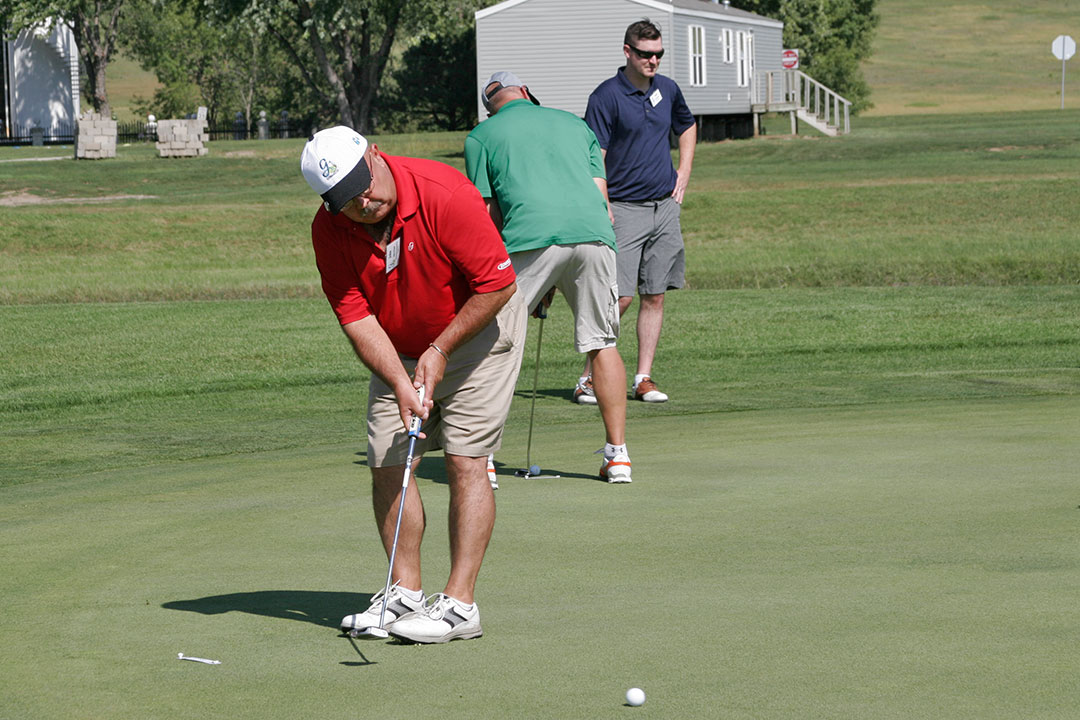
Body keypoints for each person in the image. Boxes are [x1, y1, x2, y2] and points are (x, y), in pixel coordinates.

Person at [301, 126, 526, 644]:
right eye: (346, 198)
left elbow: (498, 285)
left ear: (375, 155)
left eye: (365, 181)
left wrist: (440, 349)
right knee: (386, 458)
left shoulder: (444, 194)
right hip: (400, 344)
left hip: (478, 332)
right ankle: (404, 594)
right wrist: (400, 380)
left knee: (465, 460)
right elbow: (355, 314)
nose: (364, 200)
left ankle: (459, 605)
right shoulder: (330, 229)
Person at [465, 71, 633, 484]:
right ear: (525, 92)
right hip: (595, 235)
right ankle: (618, 457)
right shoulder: (576, 125)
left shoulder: (482, 135)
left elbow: (487, 215)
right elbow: (601, 197)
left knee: (493, 344)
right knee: (602, 343)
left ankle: (483, 457)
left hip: (527, 238)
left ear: (492, 106)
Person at [581, 18, 697, 404]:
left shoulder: (668, 89)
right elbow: (594, 156)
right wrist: (603, 204)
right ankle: (588, 378)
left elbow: (687, 126)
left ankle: (643, 378)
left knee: (655, 293)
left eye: (659, 54)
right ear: (628, 52)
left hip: (664, 206)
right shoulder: (606, 97)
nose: (654, 61)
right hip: (623, 208)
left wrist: (684, 171)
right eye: (646, 54)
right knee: (619, 297)